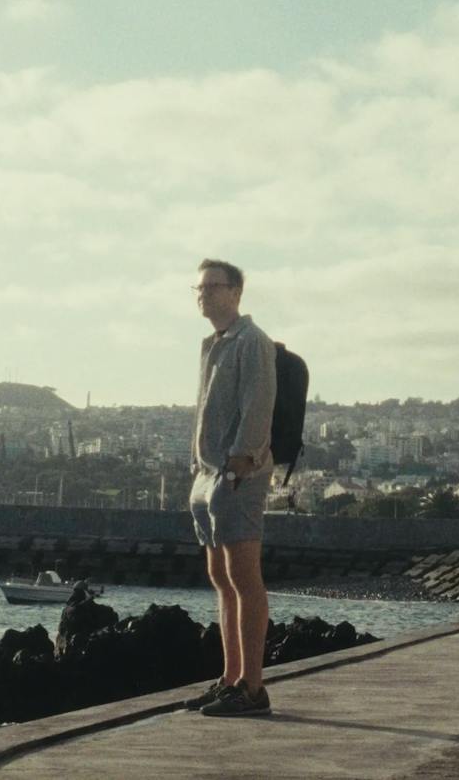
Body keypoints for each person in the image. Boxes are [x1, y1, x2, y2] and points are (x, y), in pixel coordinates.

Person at [182, 258, 277, 718]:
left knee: (244, 577)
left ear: (236, 292)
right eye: (198, 288)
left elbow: (257, 405)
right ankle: (231, 678)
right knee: (221, 579)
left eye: (211, 287)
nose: (202, 294)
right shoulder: (212, 344)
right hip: (208, 474)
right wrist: (199, 468)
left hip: (237, 475)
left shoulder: (252, 342)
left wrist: (238, 468)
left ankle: (253, 688)